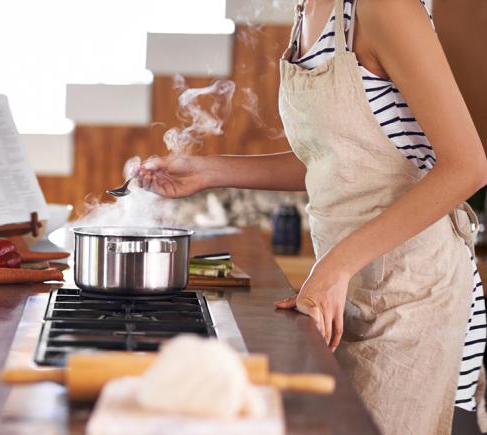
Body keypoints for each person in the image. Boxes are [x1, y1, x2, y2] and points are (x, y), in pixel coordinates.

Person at [133, 0, 487, 433]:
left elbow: (468, 166)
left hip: (416, 297)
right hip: (347, 291)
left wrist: (336, 264)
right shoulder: (309, 10)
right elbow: (337, 160)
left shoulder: (384, 7)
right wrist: (210, 171)